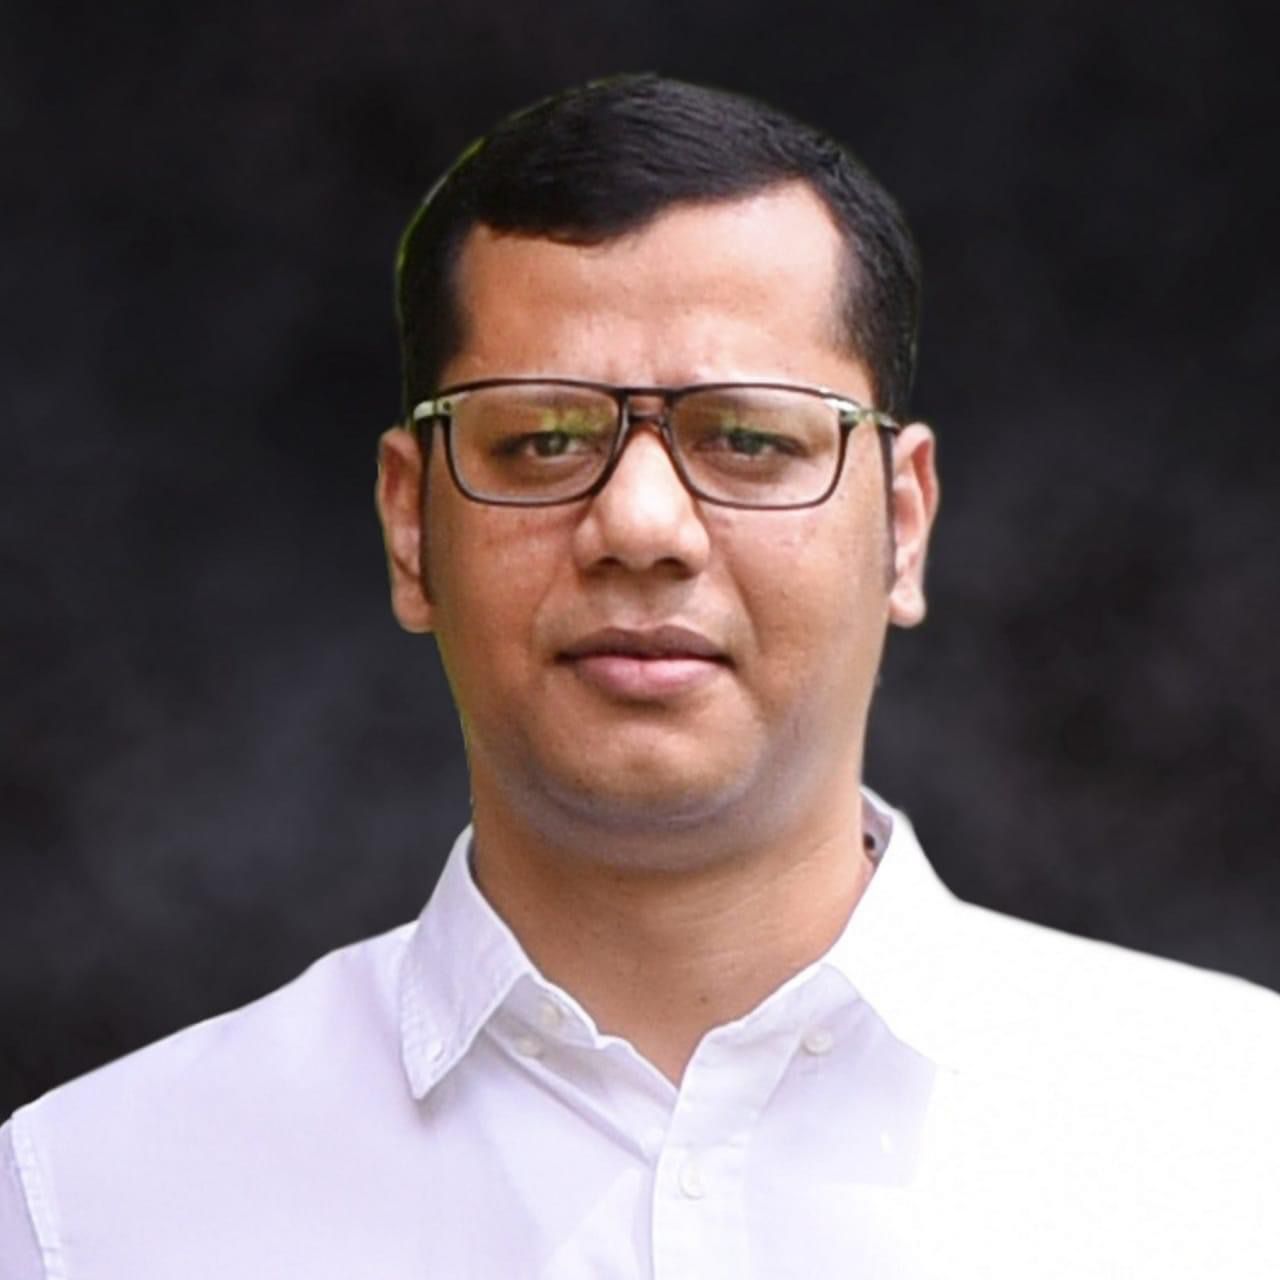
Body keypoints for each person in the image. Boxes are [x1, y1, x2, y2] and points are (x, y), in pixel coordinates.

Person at [2, 73, 1277, 1279]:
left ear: (901, 523)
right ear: (408, 524)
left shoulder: (1231, 1140)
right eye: (542, 438)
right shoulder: (95, 1205)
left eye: (748, 436)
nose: (641, 524)